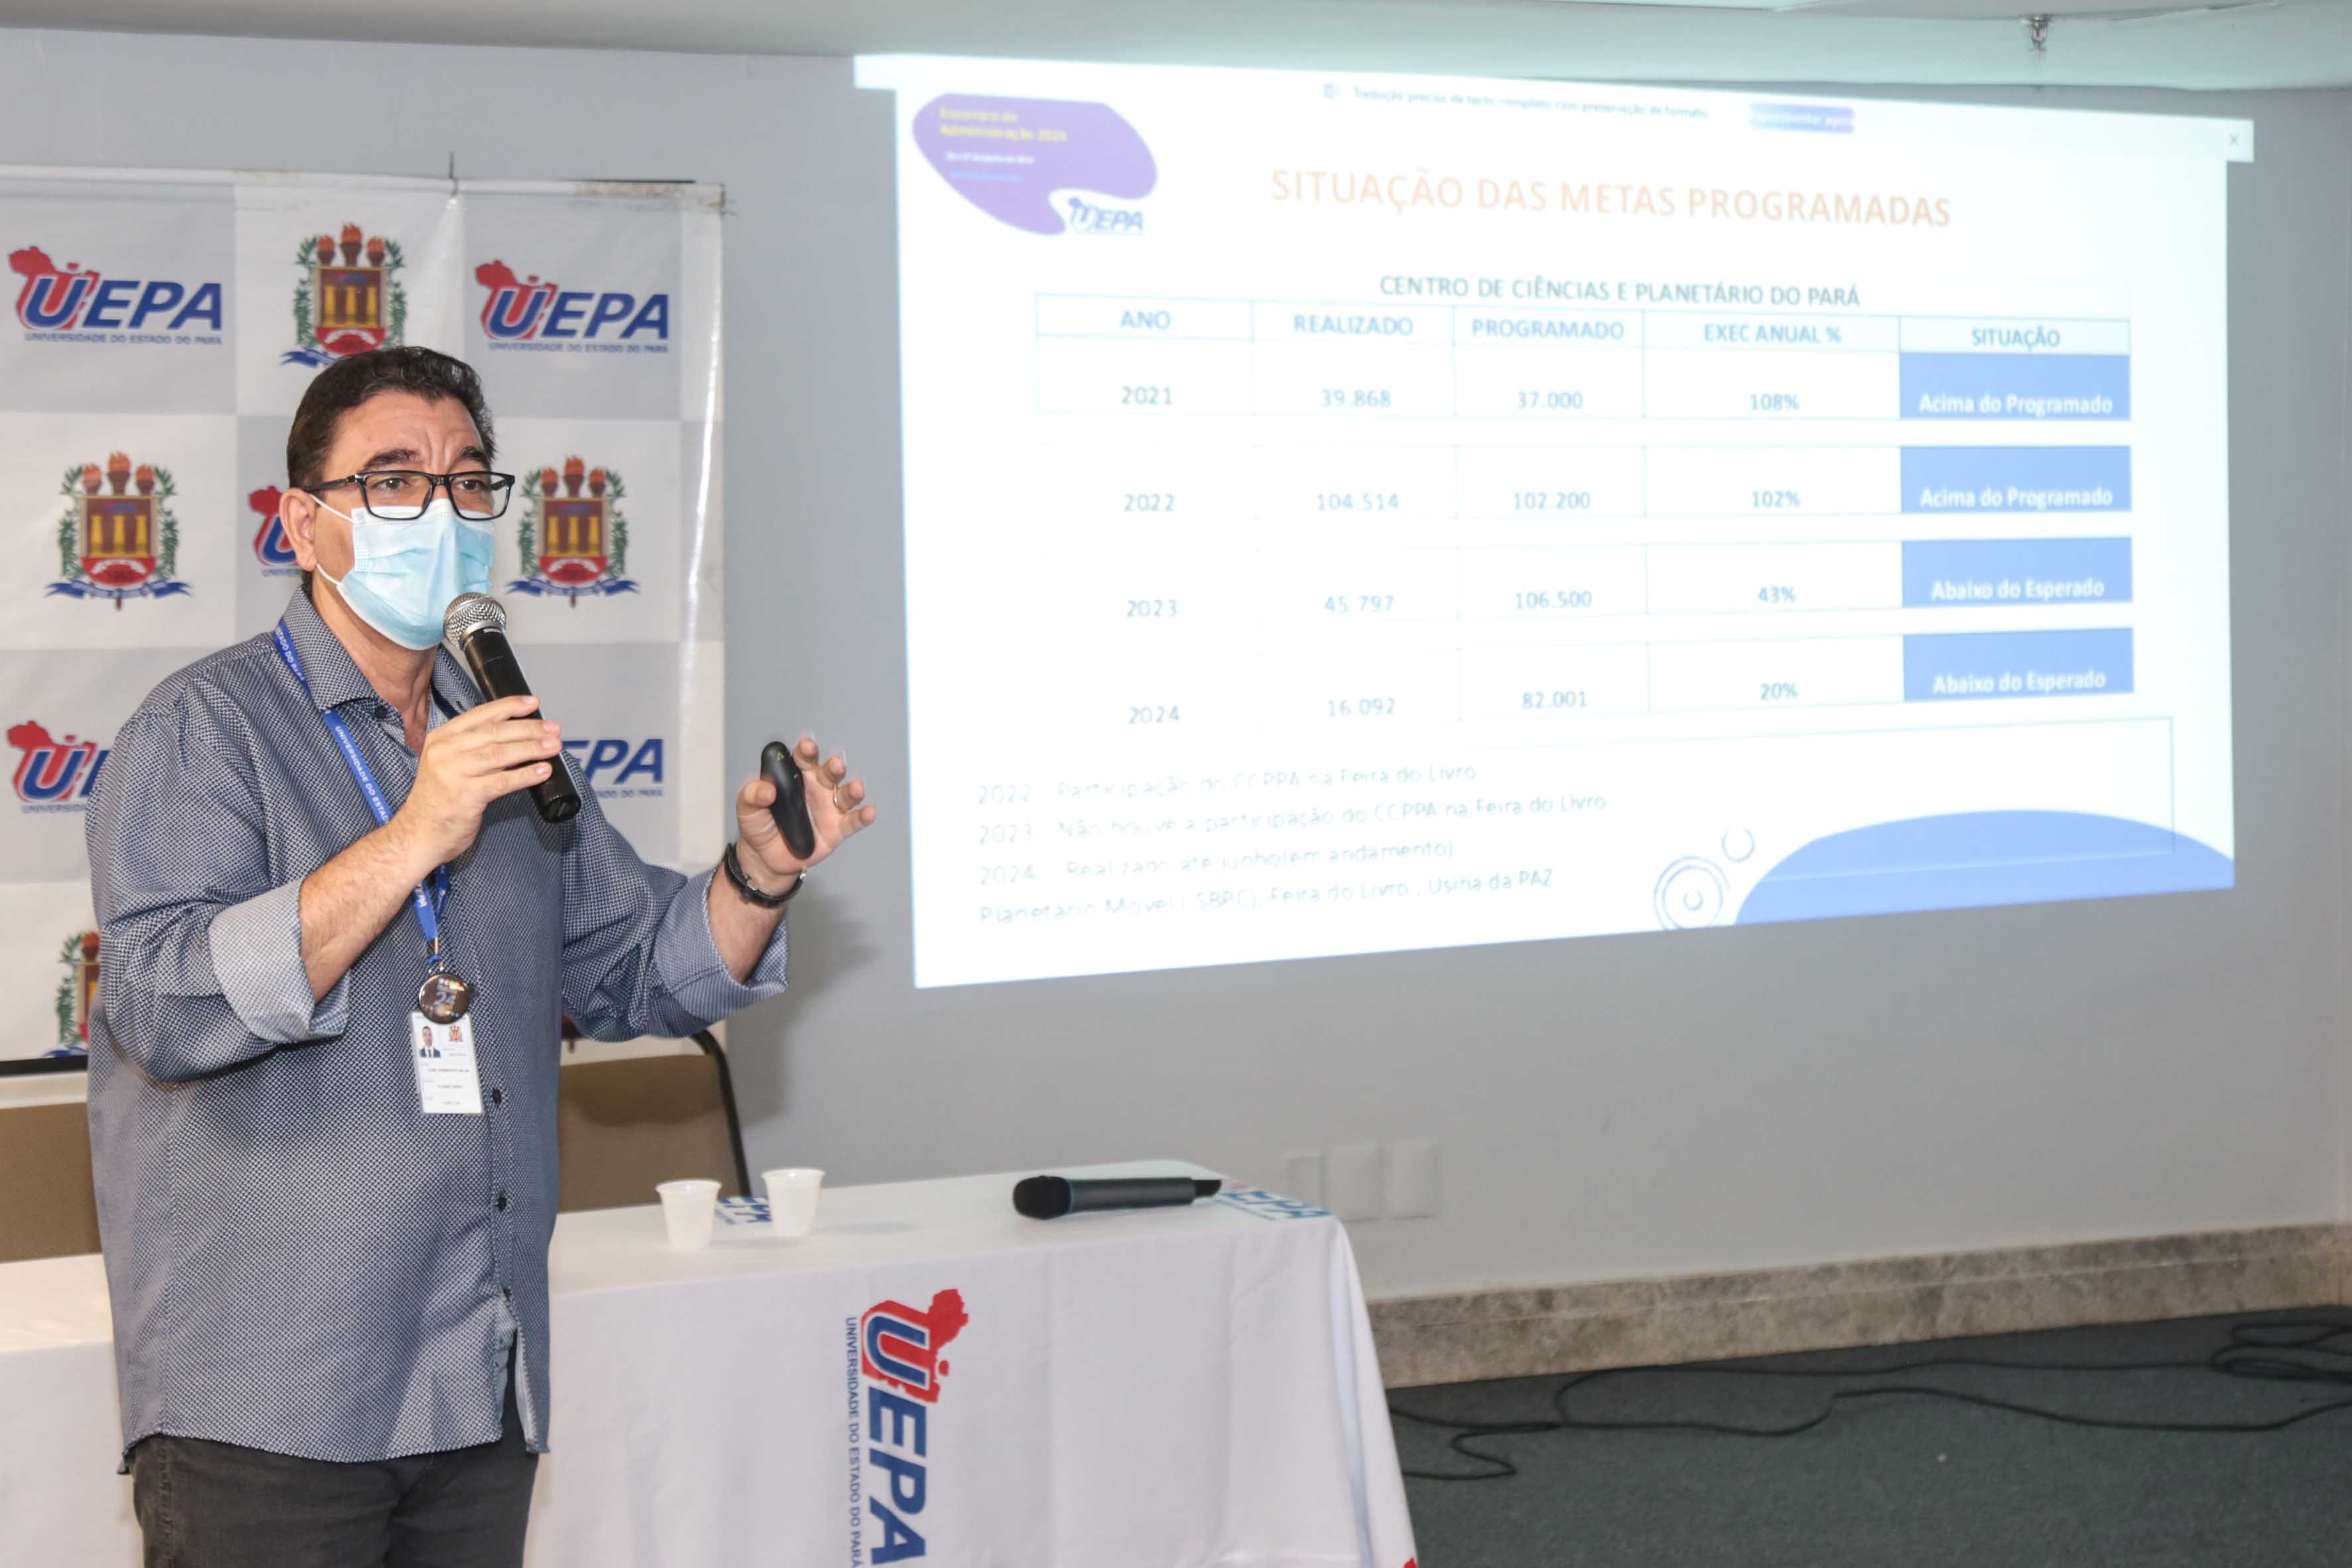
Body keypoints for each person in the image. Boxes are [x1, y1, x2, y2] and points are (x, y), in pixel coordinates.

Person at [83, 346, 874, 1568]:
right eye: (394, 481)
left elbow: (637, 965)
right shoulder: (206, 730)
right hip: (272, 1404)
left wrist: (760, 873)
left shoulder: (496, 735)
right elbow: (162, 1003)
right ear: (303, 522)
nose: (439, 511)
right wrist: (413, 832)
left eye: (466, 480)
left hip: (474, 1373)